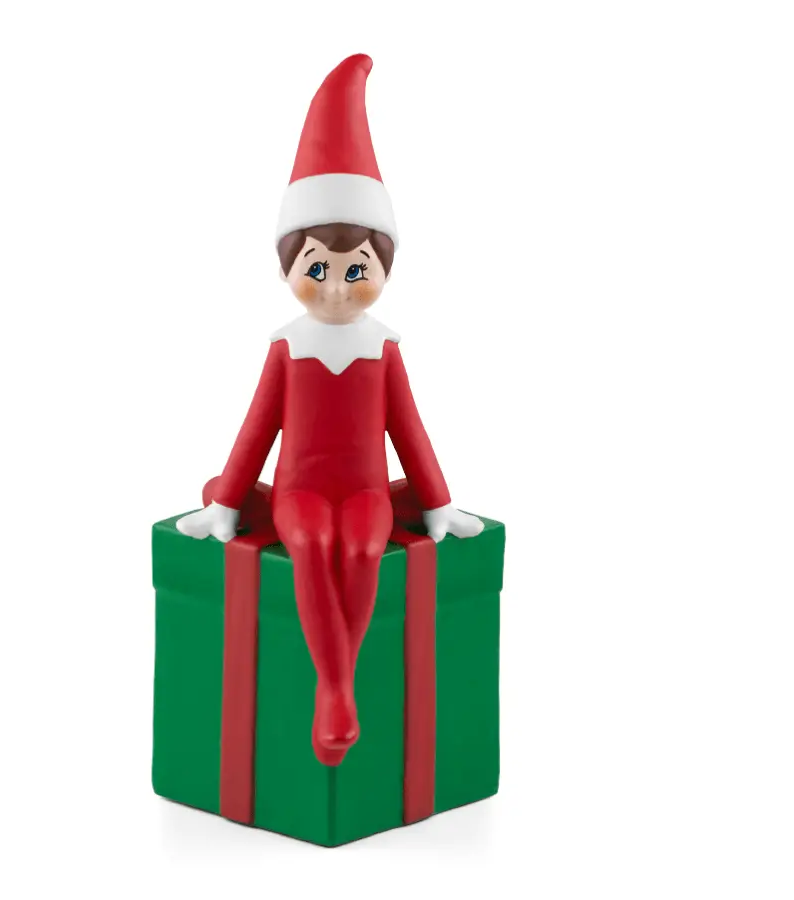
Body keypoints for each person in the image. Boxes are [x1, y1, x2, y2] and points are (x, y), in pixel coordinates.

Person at [177, 54, 483, 766]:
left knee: (365, 545)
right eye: (317, 269)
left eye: (356, 270)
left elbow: (409, 429)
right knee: (313, 544)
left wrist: (437, 503)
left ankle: (336, 686)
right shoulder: (288, 348)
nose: (338, 289)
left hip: (367, 493)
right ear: (288, 268)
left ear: (384, 269)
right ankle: (336, 692)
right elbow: (256, 429)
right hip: (301, 493)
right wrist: (228, 502)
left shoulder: (384, 349)